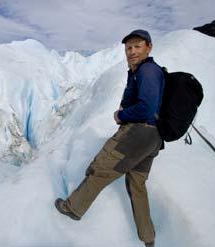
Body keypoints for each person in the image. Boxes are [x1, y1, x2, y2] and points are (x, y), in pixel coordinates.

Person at [55, 29, 165, 247]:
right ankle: (148, 237)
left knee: (100, 168)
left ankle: (73, 208)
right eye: (128, 48)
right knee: (137, 185)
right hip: (152, 138)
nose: (132, 51)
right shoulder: (140, 71)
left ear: (149, 47)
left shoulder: (148, 71)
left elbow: (146, 107)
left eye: (137, 46)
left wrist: (120, 115)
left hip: (138, 132)